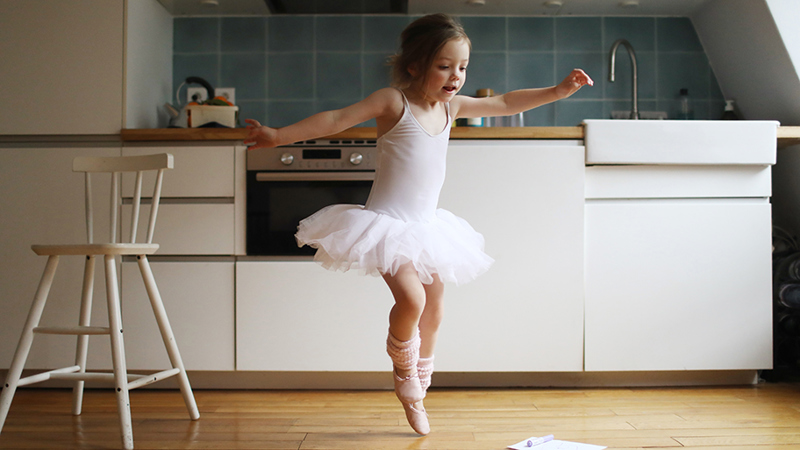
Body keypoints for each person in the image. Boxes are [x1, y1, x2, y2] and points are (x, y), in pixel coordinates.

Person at [244, 13, 593, 436]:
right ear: (414, 66)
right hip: (387, 227)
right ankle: (405, 371)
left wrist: (559, 90)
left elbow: (503, 103)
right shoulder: (393, 101)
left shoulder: (452, 107)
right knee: (412, 301)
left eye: (462, 67)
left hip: (428, 229)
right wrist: (278, 135)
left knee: (436, 307)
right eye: (444, 66)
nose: (456, 76)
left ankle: (422, 380)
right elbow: (336, 119)